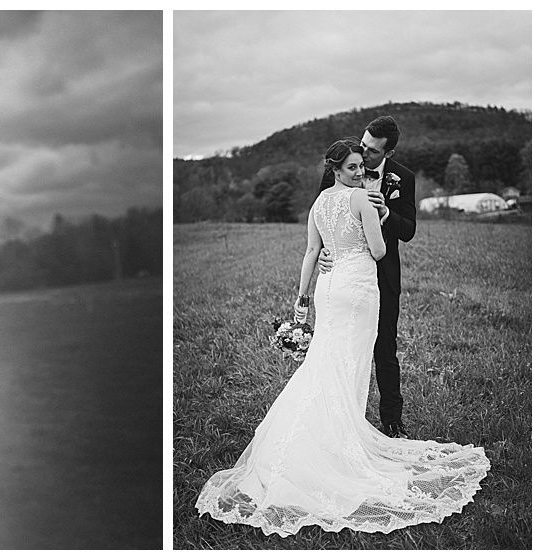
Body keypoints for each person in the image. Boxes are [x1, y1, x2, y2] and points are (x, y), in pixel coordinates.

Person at [196, 139, 488, 537]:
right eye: (352, 167)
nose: (359, 172)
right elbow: (380, 250)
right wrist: (374, 222)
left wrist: (302, 299)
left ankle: (318, 439)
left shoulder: (318, 205)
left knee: (327, 360)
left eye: (360, 167)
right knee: (348, 364)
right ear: (337, 169)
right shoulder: (363, 200)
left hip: (329, 290)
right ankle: (340, 446)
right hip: (358, 290)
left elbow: (312, 252)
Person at [310, 116, 416, 438]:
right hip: (343, 275)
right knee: (339, 346)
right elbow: (324, 214)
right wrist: (326, 252)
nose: (363, 153)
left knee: (385, 348)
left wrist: (384, 212)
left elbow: (408, 230)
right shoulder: (342, 165)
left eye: (371, 151)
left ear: (389, 152)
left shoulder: (402, 178)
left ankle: (392, 422)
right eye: (363, 143)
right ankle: (336, 420)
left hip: (382, 276)